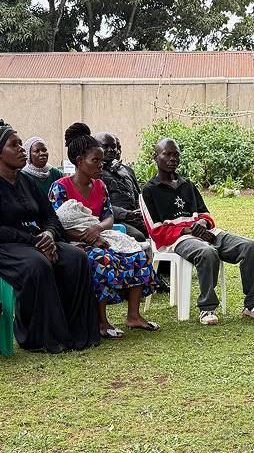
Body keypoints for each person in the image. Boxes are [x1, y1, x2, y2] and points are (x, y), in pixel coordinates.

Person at [140, 138, 254, 325]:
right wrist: (189, 229)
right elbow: (156, 232)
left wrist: (203, 224)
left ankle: (253, 305)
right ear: (155, 157)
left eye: (176, 155)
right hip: (177, 240)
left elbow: (206, 215)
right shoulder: (148, 191)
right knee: (207, 252)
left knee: (249, 247)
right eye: (167, 154)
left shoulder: (187, 185)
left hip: (205, 232)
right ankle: (207, 308)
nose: (173, 158)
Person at [49, 123, 160, 339]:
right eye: (96, 160)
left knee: (136, 254)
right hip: (70, 241)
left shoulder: (100, 186)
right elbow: (57, 223)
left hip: (99, 235)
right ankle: (101, 321)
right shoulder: (60, 187)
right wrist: (88, 238)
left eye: (101, 160)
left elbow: (108, 216)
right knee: (101, 260)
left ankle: (133, 316)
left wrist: (97, 228)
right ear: (80, 162)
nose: (101, 165)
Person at [0, 120, 99, 353]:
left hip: (36, 239)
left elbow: (50, 216)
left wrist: (49, 234)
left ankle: (76, 332)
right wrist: (37, 242)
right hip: (7, 245)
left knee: (76, 258)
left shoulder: (26, 181)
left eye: (21, 144)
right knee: (38, 265)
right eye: (14, 145)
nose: (21, 150)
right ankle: (39, 338)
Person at [96, 131, 170, 293]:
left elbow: (139, 196)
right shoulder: (96, 174)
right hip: (115, 219)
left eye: (113, 147)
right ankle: (149, 280)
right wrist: (126, 214)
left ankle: (164, 269)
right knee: (137, 236)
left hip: (135, 215)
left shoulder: (127, 170)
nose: (110, 150)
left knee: (162, 228)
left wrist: (143, 212)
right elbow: (99, 206)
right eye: (105, 147)